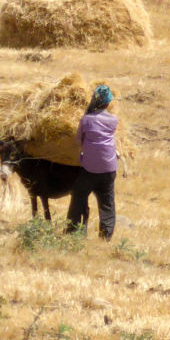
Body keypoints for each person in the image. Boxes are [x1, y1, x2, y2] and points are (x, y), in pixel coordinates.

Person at [66, 84, 119, 240]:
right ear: (108, 103)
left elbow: (78, 141)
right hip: (109, 168)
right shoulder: (113, 120)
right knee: (107, 203)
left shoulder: (87, 119)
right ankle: (106, 237)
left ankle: (74, 232)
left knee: (79, 197)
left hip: (89, 169)